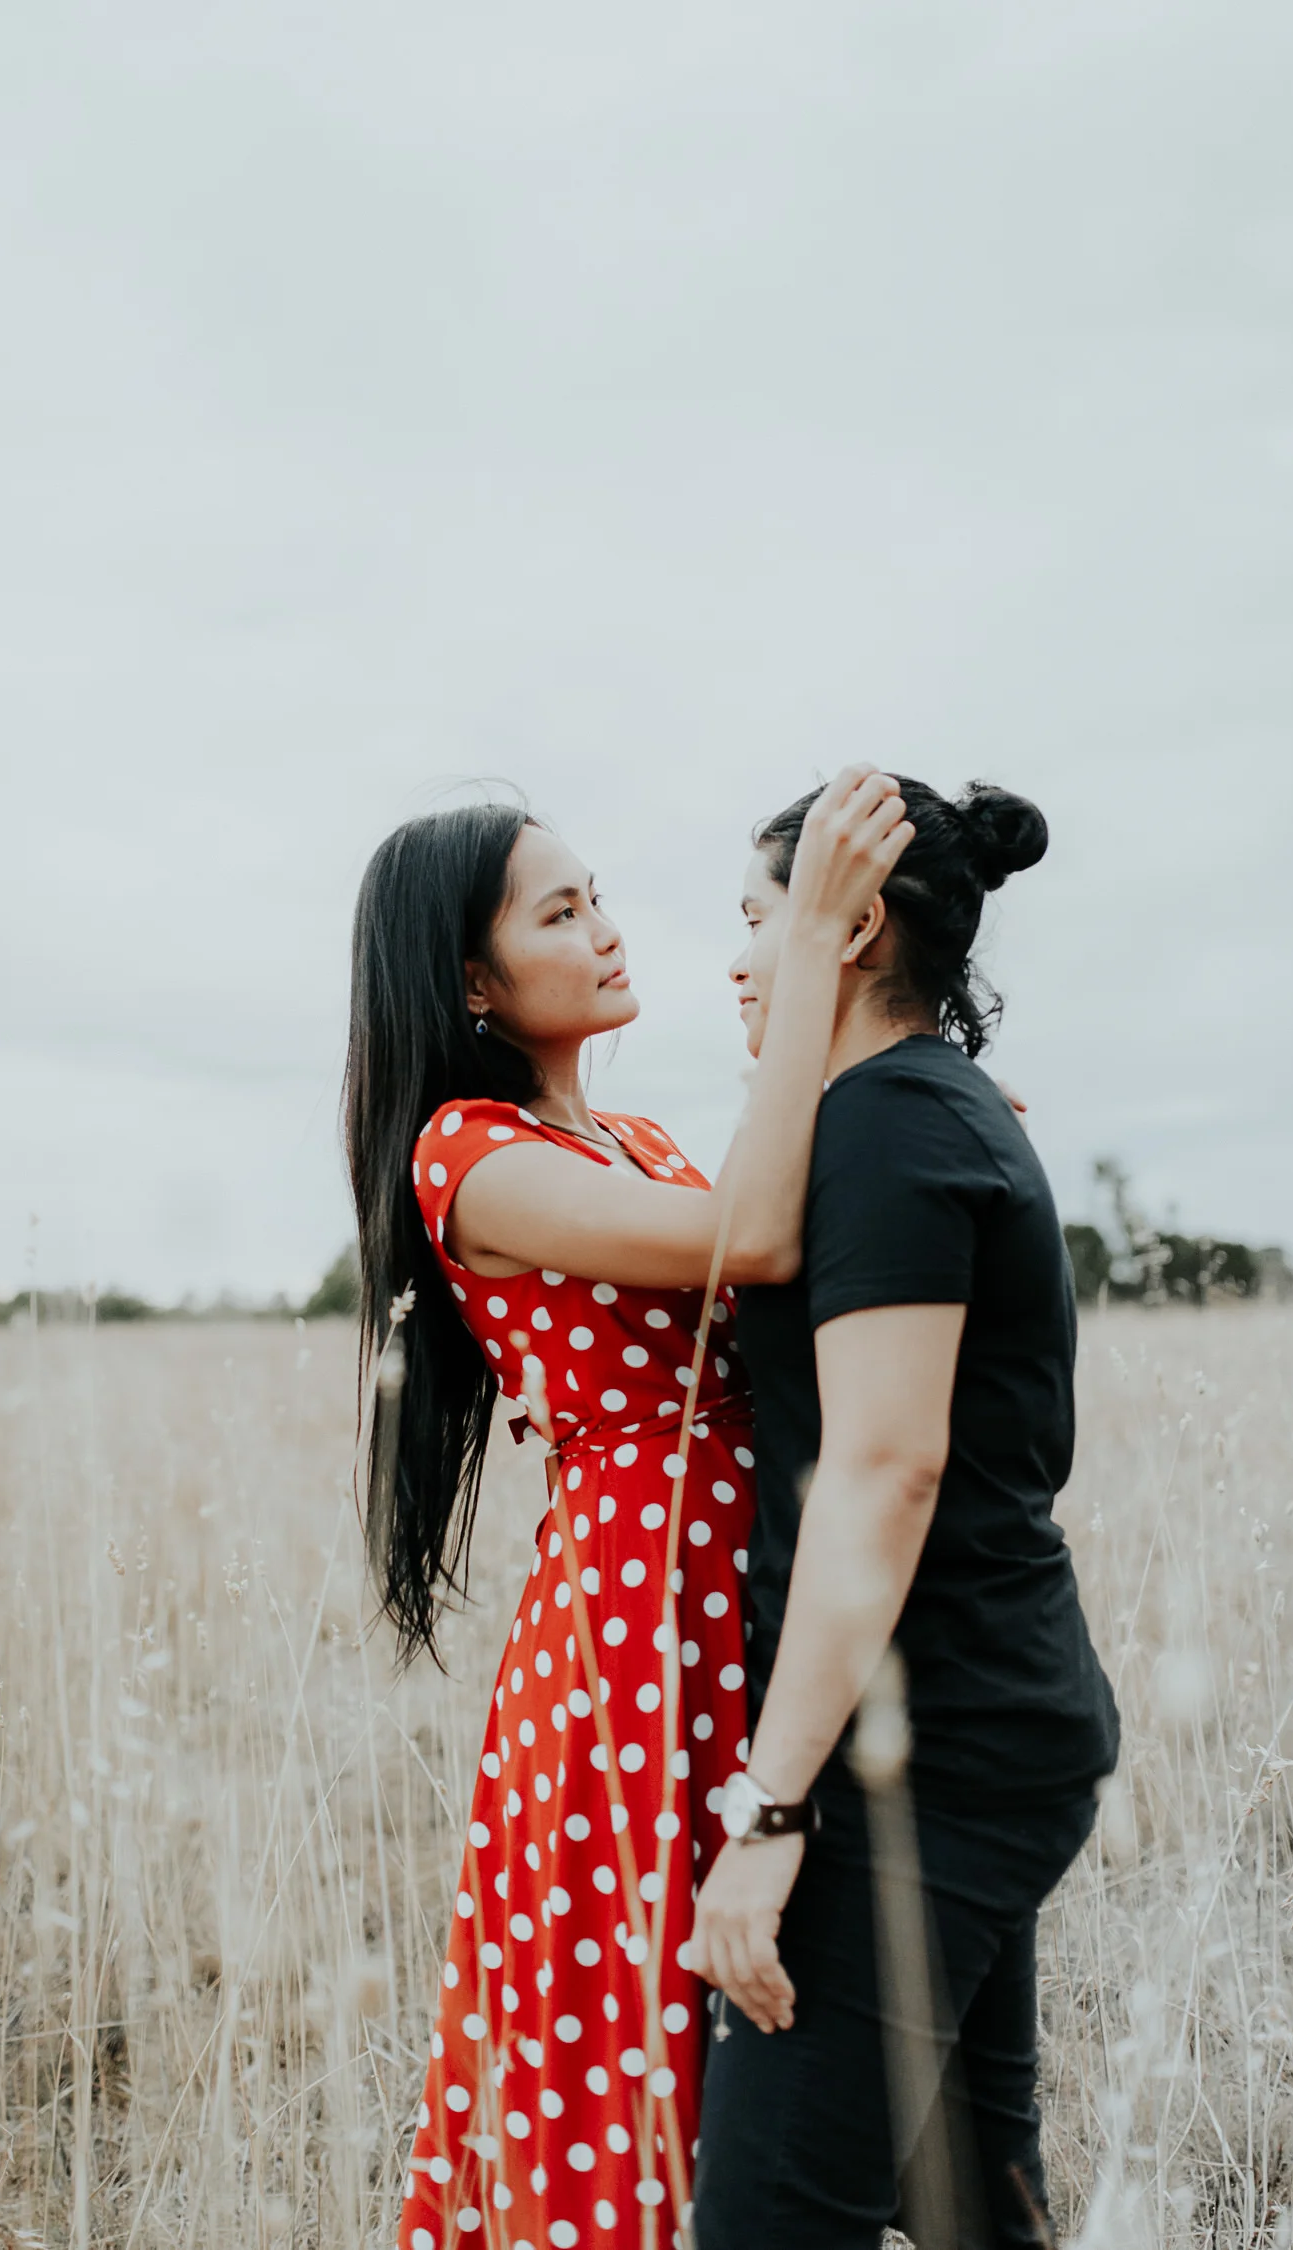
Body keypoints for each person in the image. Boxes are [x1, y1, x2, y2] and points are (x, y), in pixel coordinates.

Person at [343, 771, 913, 2250]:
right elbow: (760, 1231)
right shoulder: (470, 1156)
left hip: (749, 1599)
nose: (605, 928)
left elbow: (790, 1257)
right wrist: (819, 951)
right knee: (639, 2030)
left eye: (598, 895)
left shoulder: (646, 1141)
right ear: (473, 978)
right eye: (559, 909)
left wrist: (917, 1130)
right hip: (635, 1635)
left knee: (769, 2025)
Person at [686, 777, 1121, 2250]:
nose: (742, 961)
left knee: (769, 2223)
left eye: (762, 919)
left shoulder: (886, 1124)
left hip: (922, 1768)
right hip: (990, 1719)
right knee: (973, 2200)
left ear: (849, 927)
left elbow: (885, 1470)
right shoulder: (907, 1112)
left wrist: (769, 1810)